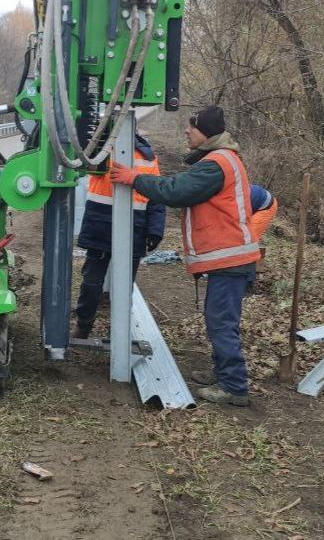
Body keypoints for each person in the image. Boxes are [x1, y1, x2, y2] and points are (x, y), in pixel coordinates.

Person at [110, 106, 259, 406]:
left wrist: (134, 178)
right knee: (218, 320)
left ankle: (234, 387)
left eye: (192, 127)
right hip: (229, 260)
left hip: (230, 260)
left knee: (221, 323)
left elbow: (176, 191)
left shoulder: (217, 164)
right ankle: (224, 375)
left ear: (207, 132)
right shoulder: (220, 159)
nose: (186, 131)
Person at [74, 133, 166, 339]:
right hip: (101, 229)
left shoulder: (146, 157)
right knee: (91, 283)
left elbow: (156, 196)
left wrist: (155, 230)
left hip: (131, 230)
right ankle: (84, 324)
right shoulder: (101, 149)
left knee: (120, 287)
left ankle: (118, 331)